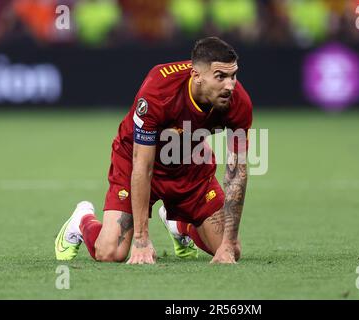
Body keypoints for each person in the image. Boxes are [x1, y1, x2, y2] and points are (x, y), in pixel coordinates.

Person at [54, 36, 252, 264]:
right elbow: (142, 165)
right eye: (221, 77)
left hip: (189, 165)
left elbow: (237, 172)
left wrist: (227, 244)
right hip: (136, 162)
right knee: (110, 253)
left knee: (232, 250)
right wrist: (141, 239)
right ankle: (82, 221)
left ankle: (179, 225)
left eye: (233, 75)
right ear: (196, 76)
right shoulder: (159, 90)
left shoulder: (238, 102)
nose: (230, 85)